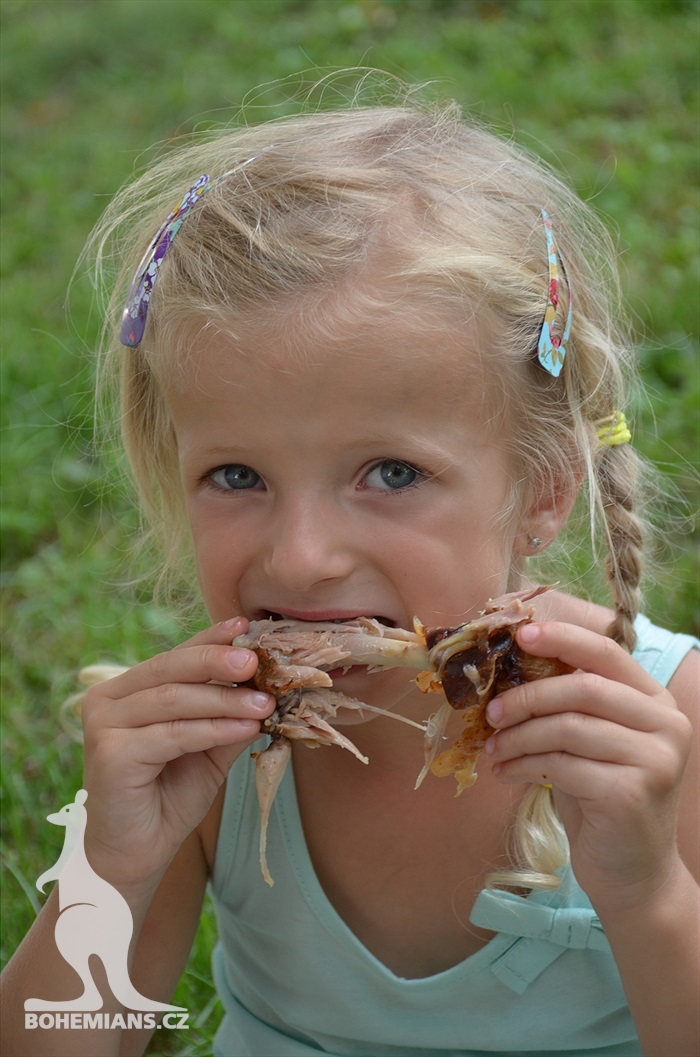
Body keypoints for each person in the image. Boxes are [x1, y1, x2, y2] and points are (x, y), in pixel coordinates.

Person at [1, 92, 698, 1057]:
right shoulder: (207, 763)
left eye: (392, 474)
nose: (300, 555)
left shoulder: (662, 730)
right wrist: (108, 866)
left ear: (541, 491)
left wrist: (649, 889)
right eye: (236, 476)